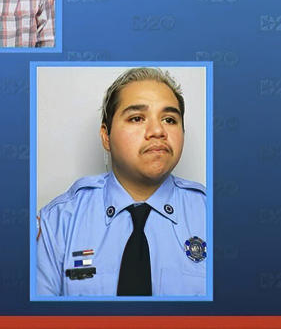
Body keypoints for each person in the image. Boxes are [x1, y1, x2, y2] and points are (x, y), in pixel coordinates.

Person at [37, 68, 207, 297]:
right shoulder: (58, 222)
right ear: (106, 136)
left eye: (169, 119)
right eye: (137, 118)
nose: (158, 131)